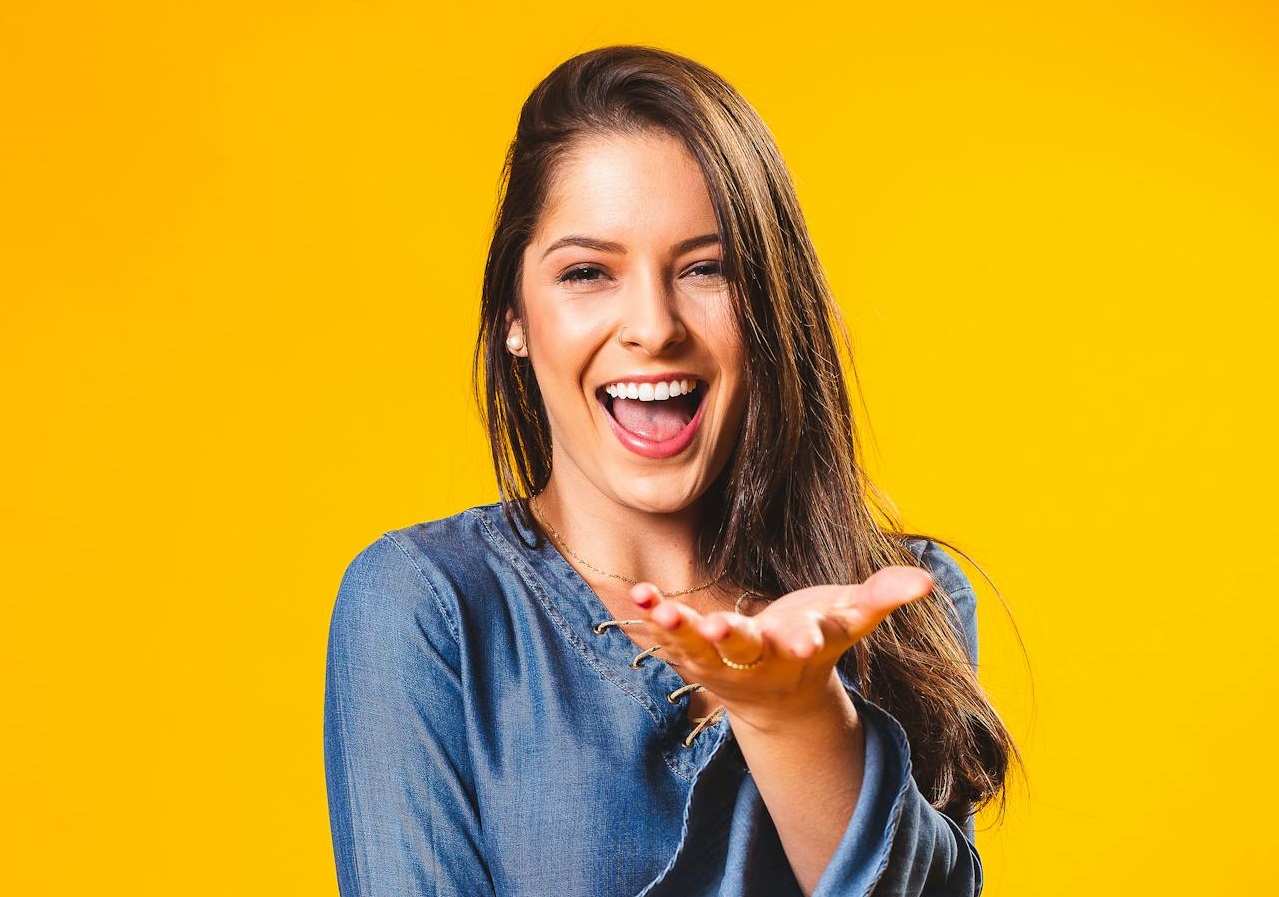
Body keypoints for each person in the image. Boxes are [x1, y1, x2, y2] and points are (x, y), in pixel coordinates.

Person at [323, 45, 1015, 897]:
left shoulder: (908, 602)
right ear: (515, 318)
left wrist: (795, 715)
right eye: (587, 272)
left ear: (770, 305)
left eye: (705, 269)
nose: (652, 325)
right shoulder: (425, 604)